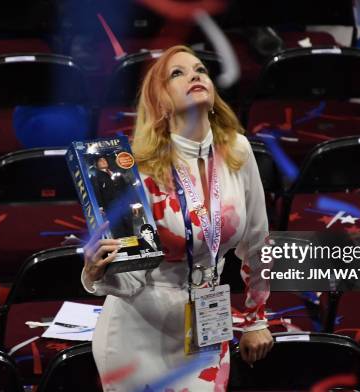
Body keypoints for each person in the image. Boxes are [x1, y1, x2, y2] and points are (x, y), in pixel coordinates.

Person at [81, 45, 273, 391]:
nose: (195, 76)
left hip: (209, 322)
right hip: (139, 335)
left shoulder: (239, 152)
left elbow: (258, 242)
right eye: (177, 73)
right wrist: (97, 272)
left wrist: (255, 320)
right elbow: (131, 276)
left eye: (200, 69)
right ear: (161, 103)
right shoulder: (134, 170)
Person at [92, 156, 133, 238]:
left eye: (105, 160)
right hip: (111, 207)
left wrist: (131, 202)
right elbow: (97, 192)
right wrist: (100, 207)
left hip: (124, 205)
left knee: (129, 226)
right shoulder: (96, 177)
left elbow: (126, 187)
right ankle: (123, 248)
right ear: (96, 164)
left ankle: (134, 247)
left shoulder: (116, 174)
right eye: (100, 160)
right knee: (118, 228)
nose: (104, 161)